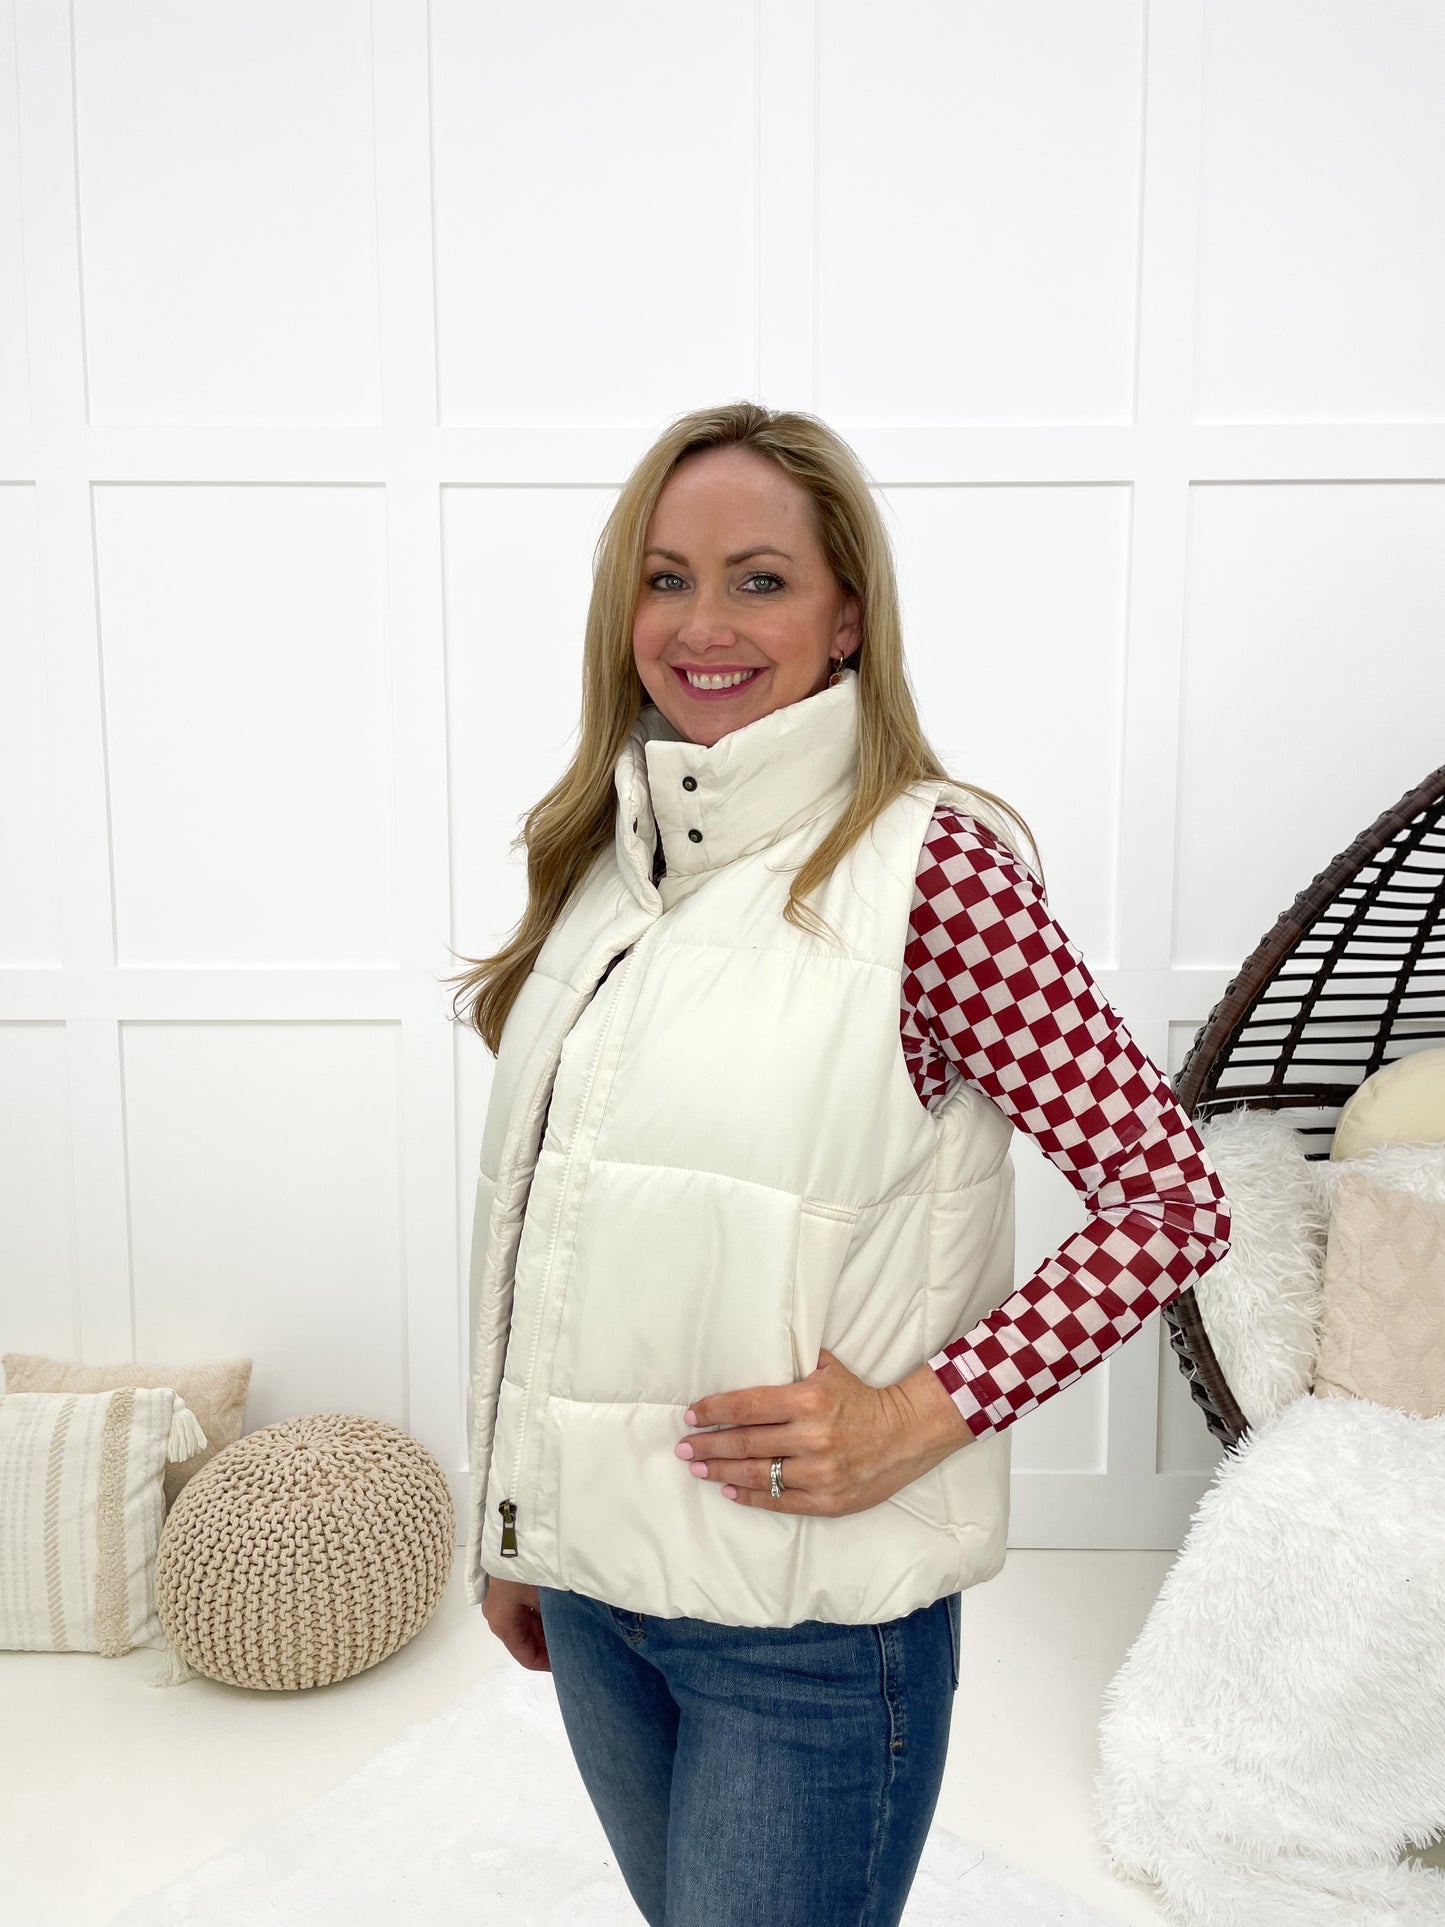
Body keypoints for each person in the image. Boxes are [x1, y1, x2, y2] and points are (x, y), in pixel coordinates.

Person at [446, 400, 1232, 1927]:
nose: (702, 624)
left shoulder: (933, 872)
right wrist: (517, 1527)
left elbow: (1168, 1200)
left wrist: (919, 1416)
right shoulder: (609, 862)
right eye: (664, 578)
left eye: (758, 579)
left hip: (805, 1637)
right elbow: (552, 1240)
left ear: (846, 615)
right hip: (596, 1602)